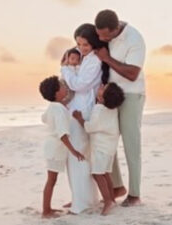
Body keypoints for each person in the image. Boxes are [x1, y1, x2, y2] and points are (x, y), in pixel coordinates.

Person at [94, 9, 146, 207]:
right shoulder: (104, 33)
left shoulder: (134, 38)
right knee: (106, 140)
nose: (101, 39)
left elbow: (132, 73)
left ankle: (134, 194)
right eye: (99, 35)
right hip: (109, 94)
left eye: (105, 36)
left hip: (131, 94)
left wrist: (107, 59)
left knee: (131, 144)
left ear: (116, 29)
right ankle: (117, 187)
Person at [60, 23, 107, 214]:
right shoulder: (86, 59)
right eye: (78, 44)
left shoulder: (94, 60)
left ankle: (82, 202)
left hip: (82, 112)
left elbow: (79, 85)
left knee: (78, 157)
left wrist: (65, 69)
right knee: (75, 158)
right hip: (77, 109)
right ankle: (79, 198)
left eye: (85, 44)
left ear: (93, 43)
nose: (81, 48)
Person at [73, 82, 125, 215]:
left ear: (102, 99)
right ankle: (111, 198)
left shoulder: (98, 109)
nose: (100, 87)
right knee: (105, 173)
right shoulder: (113, 109)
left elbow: (90, 127)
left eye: (103, 88)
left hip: (100, 148)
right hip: (109, 148)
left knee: (97, 174)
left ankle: (108, 201)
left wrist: (80, 119)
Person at [39, 76, 85, 219]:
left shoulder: (54, 106)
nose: (65, 88)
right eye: (62, 86)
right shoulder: (58, 109)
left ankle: (47, 208)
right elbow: (62, 134)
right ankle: (46, 211)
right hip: (55, 148)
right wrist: (73, 150)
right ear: (56, 92)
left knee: (52, 179)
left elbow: (44, 118)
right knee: (51, 180)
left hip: (51, 146)